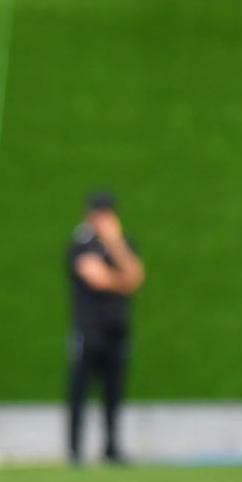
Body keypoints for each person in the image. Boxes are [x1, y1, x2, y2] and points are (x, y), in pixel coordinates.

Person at [67, 191, 146, 465]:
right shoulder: (81, 245)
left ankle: (111, 447)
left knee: (114, 392)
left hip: (117, 330)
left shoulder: (122, 245)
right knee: (80, 391)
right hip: (88, 330)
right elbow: (97, 278)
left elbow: (135, 277)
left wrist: (115, 243)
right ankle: (75, 450)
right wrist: (121, 280)